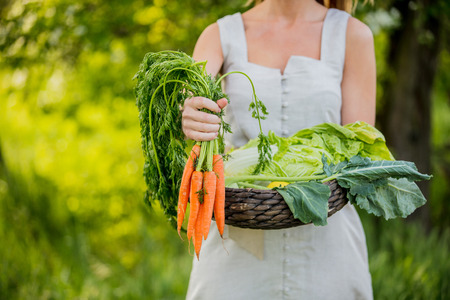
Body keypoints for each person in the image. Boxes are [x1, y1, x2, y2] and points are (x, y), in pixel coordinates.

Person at [182, 0, 375, 299]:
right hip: (234, 247)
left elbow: (360, 151)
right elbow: (194, 105)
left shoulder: (352, 35)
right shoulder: (219, 35)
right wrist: (192, 117)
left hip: (328, 246)